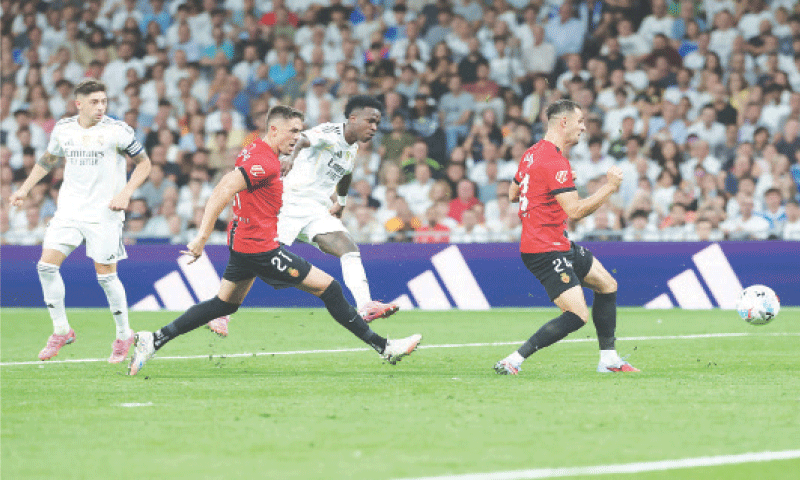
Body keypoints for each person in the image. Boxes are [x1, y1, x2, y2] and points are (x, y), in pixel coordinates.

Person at [128, 106, 421, 376]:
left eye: (299, 131)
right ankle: (385, 348)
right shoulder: (266, 163)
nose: (298, 137)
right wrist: (202, 237)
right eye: (293, 131)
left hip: (243, 241)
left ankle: (152, 340)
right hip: (260, 248)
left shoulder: (255, 148)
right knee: (330, 289)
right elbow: (223, 189)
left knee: (223, 305)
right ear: (274, 131)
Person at [206, 96, 400, 336]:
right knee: (257, 257)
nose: (374, 127)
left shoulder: (352, 148)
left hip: (316, 210)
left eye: (377, 123)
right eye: (370, 121)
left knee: (348, 246)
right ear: (353, 118)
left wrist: (340, 202)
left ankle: (366, 306)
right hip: (289, 203)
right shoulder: (329, 132)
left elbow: (346, 174)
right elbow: (303, 139)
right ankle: (220, 312)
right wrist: (289, 157)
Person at [8, 79, 152, 363]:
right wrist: (24, 188)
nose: (101, 107)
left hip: (104, 213)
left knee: (106, 277)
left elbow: (145, 163)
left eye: (104, 101)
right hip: (70, 210)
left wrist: (125, 193)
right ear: (79, 104)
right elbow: (48, 160)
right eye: (95, 102)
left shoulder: (117, 131)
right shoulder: (64, 129)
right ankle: (62, 331)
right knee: (45, 267)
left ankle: (124, 336)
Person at [494, 100, 640, 375]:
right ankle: (512, 360)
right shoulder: (554, 161)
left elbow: (514, 194)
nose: (584, 127)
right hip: (544, 249)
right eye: (580, 121)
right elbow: (575, 210)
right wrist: (610, 188)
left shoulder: (533, 153)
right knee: (577, 315)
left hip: (555, 242)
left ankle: (609, 360)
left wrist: (548, 186)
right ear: (564, 123)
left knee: (607, 284)